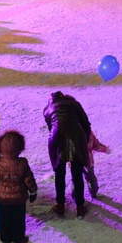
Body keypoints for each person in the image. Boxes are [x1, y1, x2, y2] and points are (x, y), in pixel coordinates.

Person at [0, 131, 38, 243]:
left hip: (3, 197)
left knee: (4, 217)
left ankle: (6, 239)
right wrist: (33, 192)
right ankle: (19, 238)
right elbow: (29, 179)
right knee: (19, 218)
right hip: (19, 197)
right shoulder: (22, 163)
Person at [44, 91, 92, 219]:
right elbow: (86, 123)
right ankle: (80, 207)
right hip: (77, 137)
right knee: (77, 174)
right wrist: (85, 141)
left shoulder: (47, 109)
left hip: (56, 139)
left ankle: (60, 206)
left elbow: (51, 127)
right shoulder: (74, 104)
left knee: (59, 175)